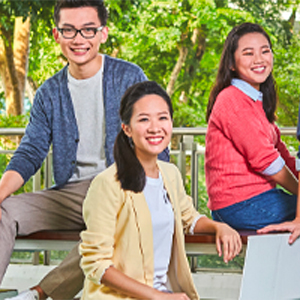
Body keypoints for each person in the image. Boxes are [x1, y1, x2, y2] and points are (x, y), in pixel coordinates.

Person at [1, 1, 168, 299]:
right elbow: (30, 152)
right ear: (57, 34)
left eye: (88, 29)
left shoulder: (129, 77)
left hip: (123, 188)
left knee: (115, 226)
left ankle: (40, 293)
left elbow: (155, 140)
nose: (79, 39)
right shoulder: (49, 93)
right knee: (4, 210)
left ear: (103, 33)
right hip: (72, 193)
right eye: (69, 30)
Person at [79, 81, 242, 300]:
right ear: (126, 128)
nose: (155, 128)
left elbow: (189, 218)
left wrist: (218, 226)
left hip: (167, 294)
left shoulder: (170, 173)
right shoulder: (107, 184)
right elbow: (96, 264)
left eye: (162, 118)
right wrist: (156, 296)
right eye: (144, 119)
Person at [205, 22, 300, 245]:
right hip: (238, 206)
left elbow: (282, 155)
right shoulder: (232, 100)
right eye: (248, 53)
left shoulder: (256, 102)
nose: (259, 59)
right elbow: (267, 162)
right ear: (231, 63)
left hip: (256, 201)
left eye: (265, 51)